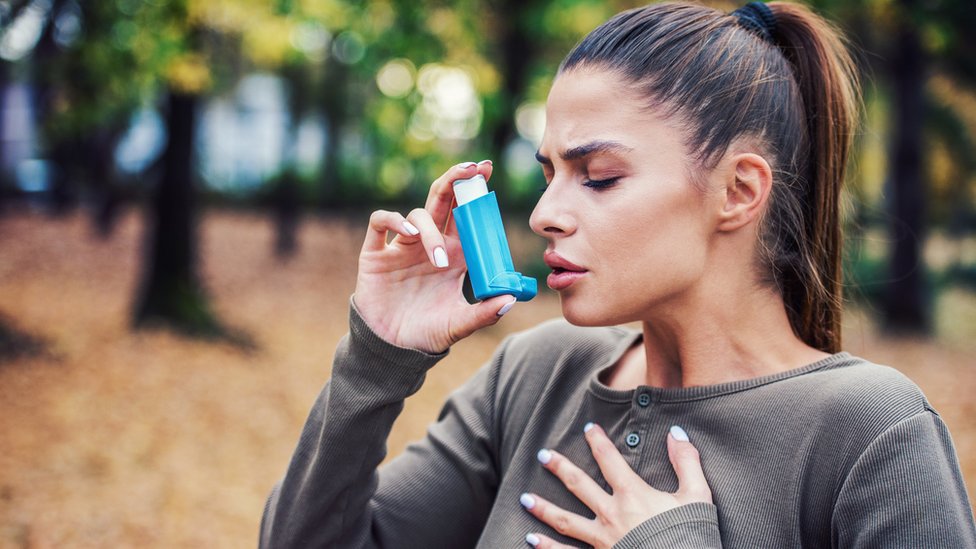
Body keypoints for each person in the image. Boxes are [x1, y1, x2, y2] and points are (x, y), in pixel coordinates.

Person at [259, 2, 976, 547]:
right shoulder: (536, 374)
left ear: (738, 191)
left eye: (598, 176)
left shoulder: (869, 430)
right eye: (549, 174)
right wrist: (377, 357)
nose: (544, 213)